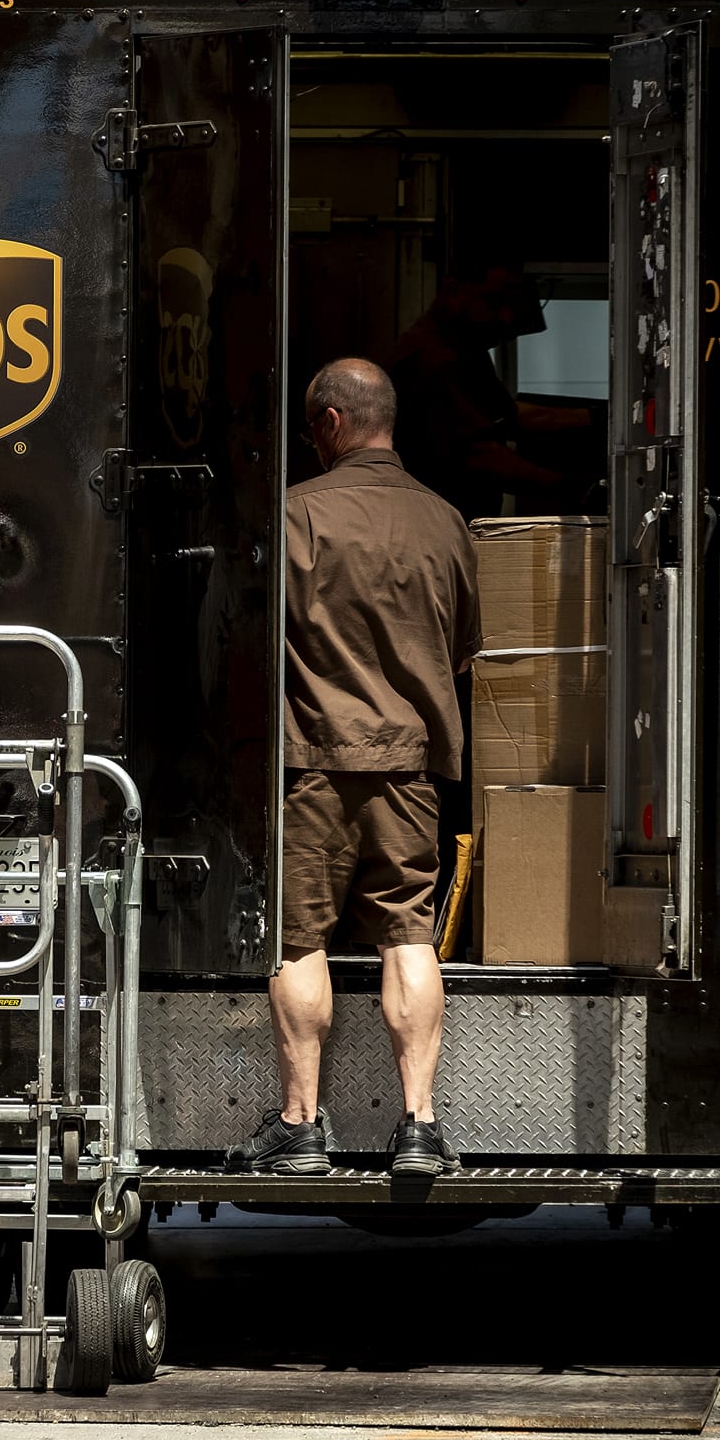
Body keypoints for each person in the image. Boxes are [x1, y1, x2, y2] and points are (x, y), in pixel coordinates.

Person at [232, 358, 480, 1178]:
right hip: (409, 766)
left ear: (330, 424)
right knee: (408, 929)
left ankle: (301, 1126)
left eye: (312, 427)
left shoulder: (296, 513)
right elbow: (465, 648)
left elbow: (249, 647)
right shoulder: (447, 521)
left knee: (297, 938)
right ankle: (419, 1125)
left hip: (311, 763)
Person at [387, 266, 592, 521]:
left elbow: (507, 415)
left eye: (511, 303)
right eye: (493, 300)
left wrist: (596, 417)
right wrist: (575, 489)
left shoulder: (464, 348)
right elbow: (478, 456)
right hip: (434, 526)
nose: (506, 317)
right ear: (453, 291)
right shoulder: (431, 360)